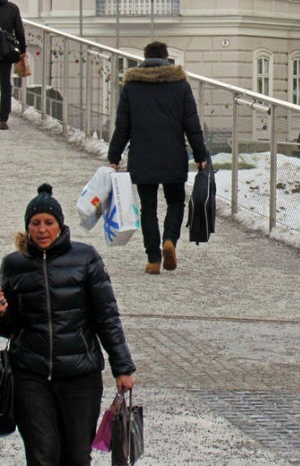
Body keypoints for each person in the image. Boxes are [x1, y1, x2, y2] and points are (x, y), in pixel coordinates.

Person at [0, 183, 136, 465]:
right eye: (35, 223)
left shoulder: (85, 259)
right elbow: (10, 328)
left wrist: (122, 367)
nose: (41, 230)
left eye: (48, 223)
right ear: (27, 228)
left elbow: (106, 316)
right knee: (42, 455)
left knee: (76, 456)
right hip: (30, 374)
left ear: (60, 225)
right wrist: (1, 314)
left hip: (80, 376)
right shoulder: (14, 265)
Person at [108, 41, 207, 275]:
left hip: (142, 156)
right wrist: (201, 154)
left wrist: (114, 155)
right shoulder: (180, 85)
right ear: (166, 58)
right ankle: (169, 240)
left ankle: (153, 259)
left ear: (144, 58)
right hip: (173, 154)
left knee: (148, 208)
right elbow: (192, 124)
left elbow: (122, 126)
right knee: (175, 202)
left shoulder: (132, 87)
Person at [0, 0, 27, 130]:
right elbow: (20, 32)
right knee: (5, 84)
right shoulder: (12, 8)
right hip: (5, 52)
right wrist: (22, 51)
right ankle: (3, 119)